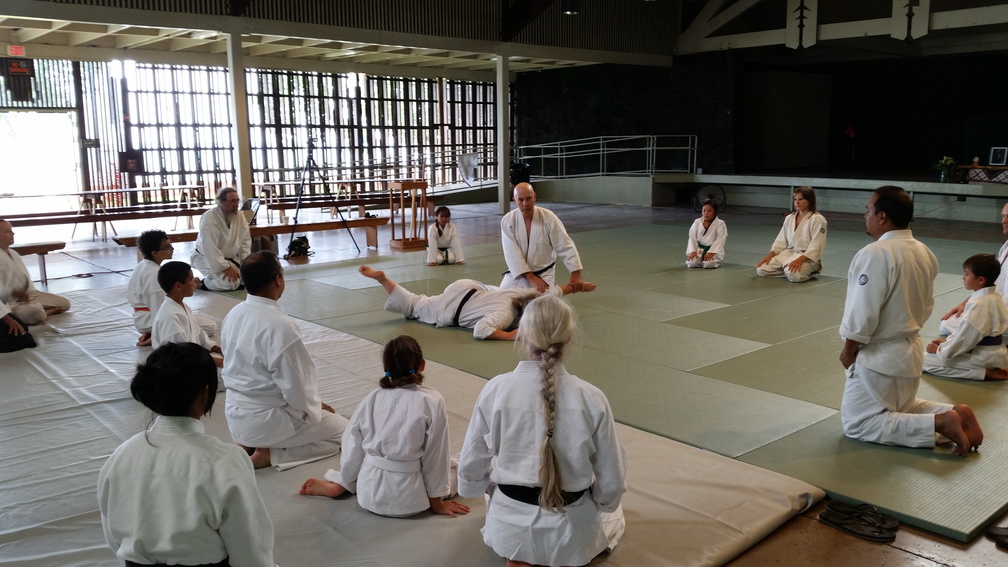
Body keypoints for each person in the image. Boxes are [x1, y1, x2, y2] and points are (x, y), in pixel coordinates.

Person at [458, 294, 627, 567]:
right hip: (571, 529)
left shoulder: (497, 389)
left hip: (508, 521)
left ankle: (519, 555)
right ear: (568, 338)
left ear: (522, 335)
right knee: (613, 510)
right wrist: (604, 503)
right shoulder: (591, 397)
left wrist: (480, 488)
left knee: (509, 521)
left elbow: (472, 462)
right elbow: (612, 479)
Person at [97, 342, 275, 567]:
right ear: (205, 393)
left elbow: (114, 535)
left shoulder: (122, 455)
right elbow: (250, 548)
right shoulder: (225, 461)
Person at [839, 186, 983, 458]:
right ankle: (951, 413)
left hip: (878, 357)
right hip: (909, 352)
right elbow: (927, 305)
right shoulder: (924, 251)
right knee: (899, 408)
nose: (865, 216)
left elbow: (863, 312)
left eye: (868, 211)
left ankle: (939, 422)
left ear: (882, 217)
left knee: (858, 423)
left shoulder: (874, 253)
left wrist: (848, 350)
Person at [299, 335, 471, 518]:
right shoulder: (432, 401)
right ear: (422, 365)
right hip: (409, 498)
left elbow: (352, 445)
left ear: (385, 368)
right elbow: (435, 457)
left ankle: (341, 486)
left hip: (367, 491)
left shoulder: (373, 397)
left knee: (362, 457)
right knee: (460, 467)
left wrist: (345, 479)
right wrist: (437, 503)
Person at [220, 251, 348, 469]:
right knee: (347, 433)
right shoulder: (280, 326)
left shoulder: (234, 313)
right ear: (278, 279)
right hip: (267, 419)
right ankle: (272, 455)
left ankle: (249, 443)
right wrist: (313, 408)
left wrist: (312, 405)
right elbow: (296, 386)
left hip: (235, 413)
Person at [358, 265, 595, 340]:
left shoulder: (522, 294)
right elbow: (481, 330)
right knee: (412, 305)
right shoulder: (506, 313)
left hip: (468, 287)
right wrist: (510, 336)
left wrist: (573, 288)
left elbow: (550, 293)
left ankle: (384, 279)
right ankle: (382, 279)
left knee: (418, 301)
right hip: (454, 308)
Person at [924, 253, 1008, 381]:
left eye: (967, 274)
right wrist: (946, 343)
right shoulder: (994, 296)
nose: (963, 278)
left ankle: (985, 373)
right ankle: (987, 369)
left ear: (980, 280)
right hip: (992, 353)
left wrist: (939, 349)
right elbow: (966, 336)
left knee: (924, 361)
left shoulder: (979, 305)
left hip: (983, 358)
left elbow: (964, 340)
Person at [500, 182, 584, 294]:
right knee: (500, 300)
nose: (525, 203)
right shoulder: (508, 220)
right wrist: (532, 279)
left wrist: (576, 273)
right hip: (517, 274)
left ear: (535, 197)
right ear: (514, 200)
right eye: (520, 200)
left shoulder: (548, 217)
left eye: (529, 198)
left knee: (540, 306)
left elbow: (564, 245)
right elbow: (512, 255)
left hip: (544, 274)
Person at [940, 203, 1008, 335]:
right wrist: (967, 303)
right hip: (996, 307)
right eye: (1003, 216)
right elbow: (993, 284)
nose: (1004, 221)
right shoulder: (1006, 246)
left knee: (949, 326)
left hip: (1002, 314)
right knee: (949, 322)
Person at [151, 261, 223, 367]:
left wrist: (222, 351)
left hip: (190, 358)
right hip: (176, 368)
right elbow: (182, 357)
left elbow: (200, 336)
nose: (194, 283)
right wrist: (223, 362)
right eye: (190, 279)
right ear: (178, 286)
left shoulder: (182, 306)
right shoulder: (171, 317)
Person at [0, 218, 70, 324]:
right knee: (29, 313)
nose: (13, 233)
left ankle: (39, 313)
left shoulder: (13, 253)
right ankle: (45, 313)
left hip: (30, 296)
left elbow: (24, 279)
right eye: (7, 231)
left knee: (65, 303)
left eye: (11, 230)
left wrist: (27, 292)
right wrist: (14, 293)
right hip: (9, 303)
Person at [756, 186, 827, 283]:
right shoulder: (789, 218)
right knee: (762, 270)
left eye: (801, 199)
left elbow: (817, 245)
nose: (797, 202)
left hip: (807, 257)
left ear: (809, 200)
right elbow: (780, 241)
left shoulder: (817, 219)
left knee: (794, 277)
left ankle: (809, 270)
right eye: (795, 199)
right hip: (789, 253)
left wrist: (800, 260)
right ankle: (788, 270)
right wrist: (770, 255)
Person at [191, 187, 251, 291]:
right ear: (221, 202)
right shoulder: (209, 218)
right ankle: (200, 283)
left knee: (250, 278)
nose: (236, 204)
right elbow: (209, 248)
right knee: (230, 283)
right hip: (205, 258)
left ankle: (217, 277)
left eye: (237, 201)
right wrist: (225, 267)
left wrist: (244, 262)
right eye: (232, 201)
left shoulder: (240, 216)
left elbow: (245, 241)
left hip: (229, 259)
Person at [685, 200, 727, 269]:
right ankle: (700, 261)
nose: (706, 213)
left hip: (713, 250)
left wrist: (711, 252)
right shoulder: (697, 222)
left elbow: (721, 239)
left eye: (709, 211)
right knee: (692, 263)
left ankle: (714, 261)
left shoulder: (720, 224)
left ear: (715, 213)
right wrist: (693, 251)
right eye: (704, 210)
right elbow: (692, 237)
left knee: (709, 265)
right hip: (699, 250)